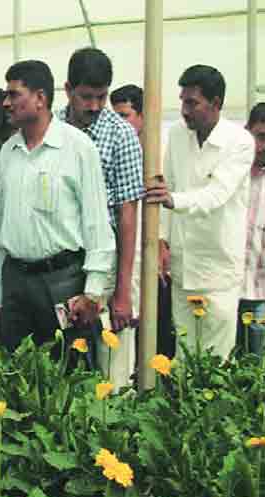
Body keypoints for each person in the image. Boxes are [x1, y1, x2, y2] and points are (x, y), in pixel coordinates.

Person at [0, 60, 116, 352]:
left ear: (40, 98)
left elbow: (96, 222)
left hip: (62, 282)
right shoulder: (8, 152)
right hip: (16, 283)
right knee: (18, 377)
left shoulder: (77, 148)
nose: (6, 103)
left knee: (68, 374)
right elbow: (0, 229)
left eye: (14, 94)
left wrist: (93, 291)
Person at [147, 65, 255, 359]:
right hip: (183, 268)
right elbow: (166, 184)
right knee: (183, 358)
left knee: (216, 360)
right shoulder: (179, 136)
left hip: (218, 271)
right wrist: (161, 239)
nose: (184, 110)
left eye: (192, 102)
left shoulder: (240, 142)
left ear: (216, 103)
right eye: (182, 101)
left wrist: (173, 201)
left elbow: (216, 195)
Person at [58, 48, 144, 389]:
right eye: (85, 97)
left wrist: (123, 290)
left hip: (106, 264)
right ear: (67, 90)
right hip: (63, 263)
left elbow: (127, 214)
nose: (94, 106)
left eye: (101, 97)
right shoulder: (52, 128)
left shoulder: (120, 135)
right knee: (66, 357)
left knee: (113, 360)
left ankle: (114, 432)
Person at [111, 84, 177, 359]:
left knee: (153, 320)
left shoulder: (159, 155)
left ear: (143, 116)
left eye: (125, 115)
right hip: (126, 248)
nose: (119, 123)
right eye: (114, 116)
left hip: (152, 249)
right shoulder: (116, 150)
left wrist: (163, 241)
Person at [237, 103, 265, 355]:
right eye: (260, 136)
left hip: (260, 292)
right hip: (226, 287)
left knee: (256, 369)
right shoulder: (231, 173)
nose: (262, 146)